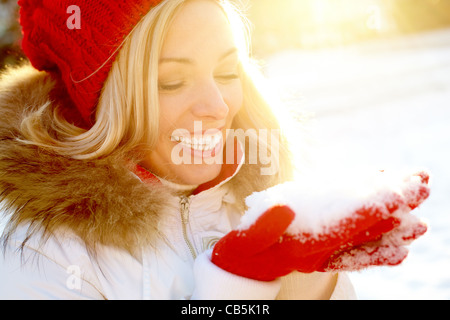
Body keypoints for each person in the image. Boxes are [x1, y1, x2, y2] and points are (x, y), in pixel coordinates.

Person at [0, 0, 428, 300]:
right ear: (105, 97)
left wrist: (303, 283)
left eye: (227, 71)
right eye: (172, 81)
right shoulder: (37, 250)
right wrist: (231, 292)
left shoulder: (257, 198)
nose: (218, 106)